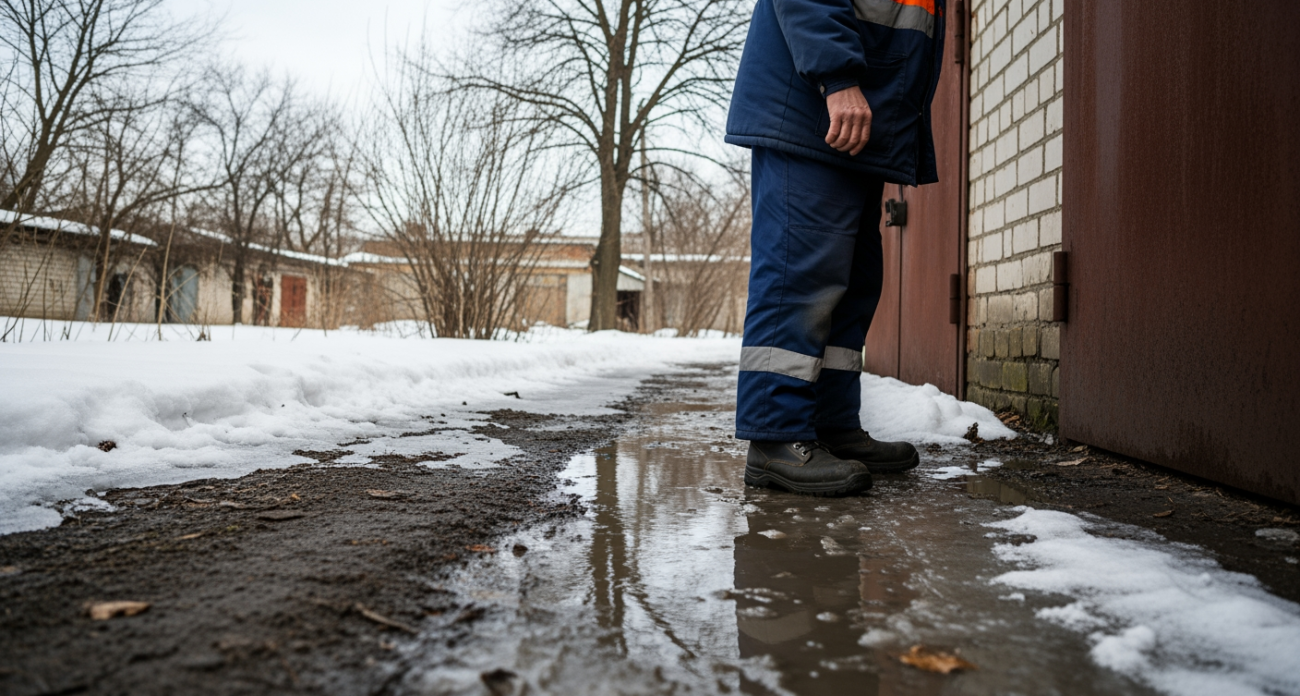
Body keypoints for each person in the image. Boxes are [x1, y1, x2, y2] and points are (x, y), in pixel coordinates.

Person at [726, 0, 946, 496]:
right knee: (800, 276)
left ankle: (832, 425)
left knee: (853, 281)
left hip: (861, 114)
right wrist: (837, 76)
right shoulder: (832, 83)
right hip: (816, 103)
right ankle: (774, 437)